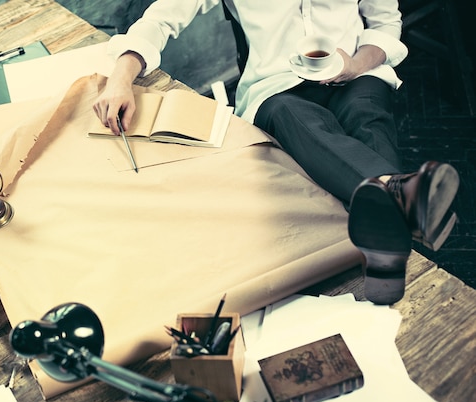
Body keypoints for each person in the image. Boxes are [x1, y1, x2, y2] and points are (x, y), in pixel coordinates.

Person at [92, 0, 460, 304]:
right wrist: (121, 78)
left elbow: (385, 22)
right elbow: (162, 18)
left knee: (368, 115)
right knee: (294, 118)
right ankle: (397, 210)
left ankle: (389, 217)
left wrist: (354, 65)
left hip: (356, 72)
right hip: (276, 86)